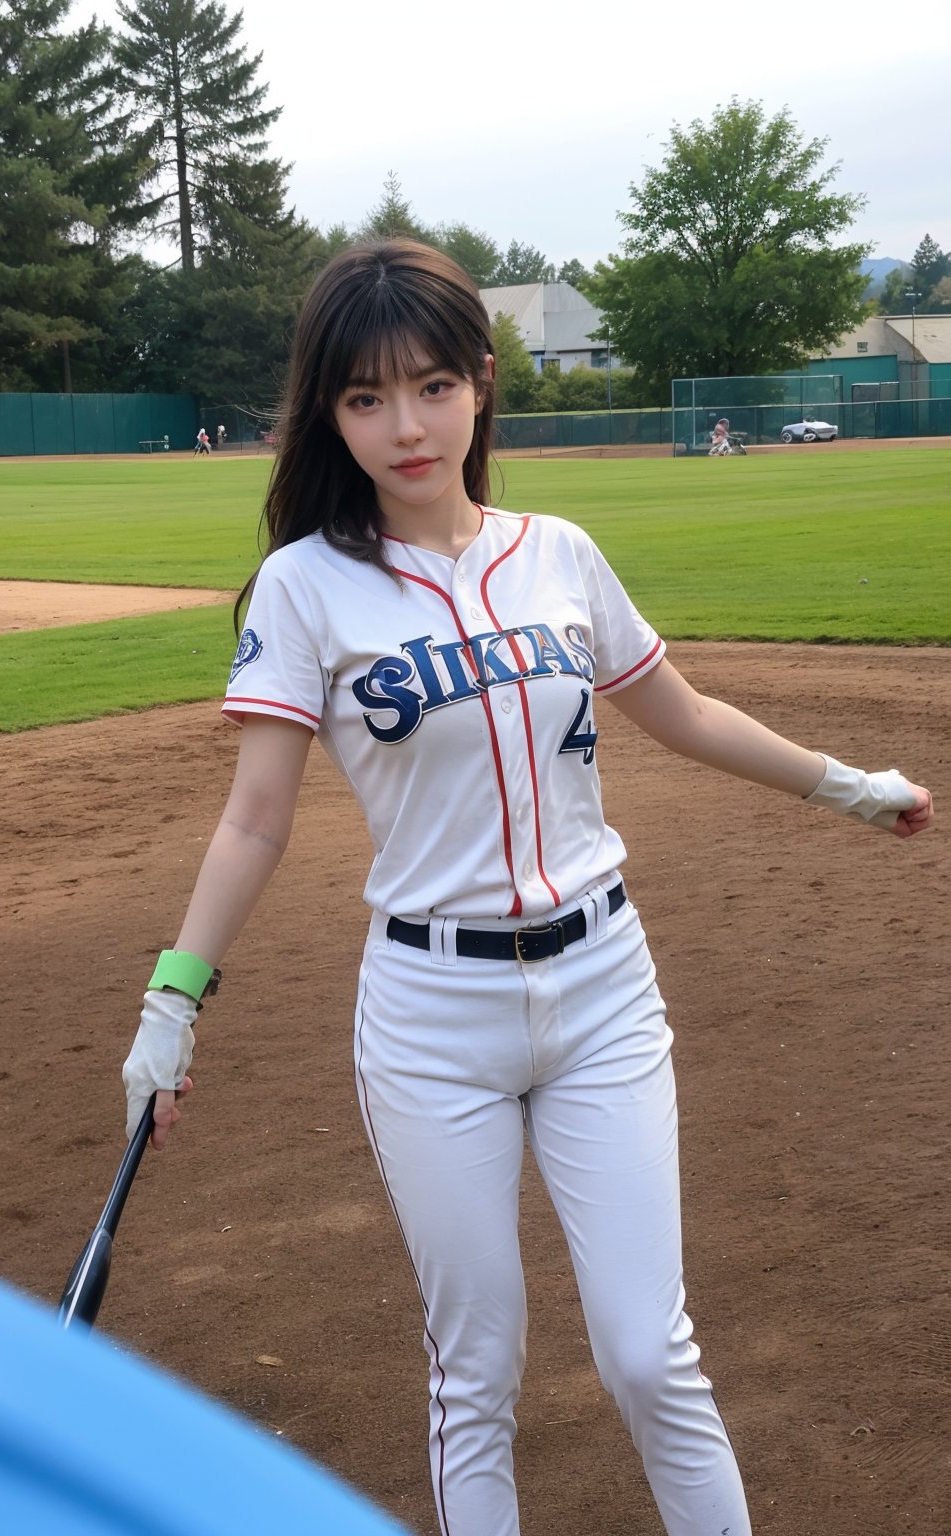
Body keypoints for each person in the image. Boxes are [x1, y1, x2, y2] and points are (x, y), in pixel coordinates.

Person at [122, 240, 933, 1536]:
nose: (406, 425)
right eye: (366, 398)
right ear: (329, 412)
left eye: (434, 385)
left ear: (484, 384)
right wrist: (174, 999)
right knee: (478, 1373)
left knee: (647, 1354)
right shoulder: (305, 587)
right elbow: (254, 822)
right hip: (433, 1017)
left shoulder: (559, 553)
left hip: (605, 986)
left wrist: (847, 784)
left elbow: (684, 712)